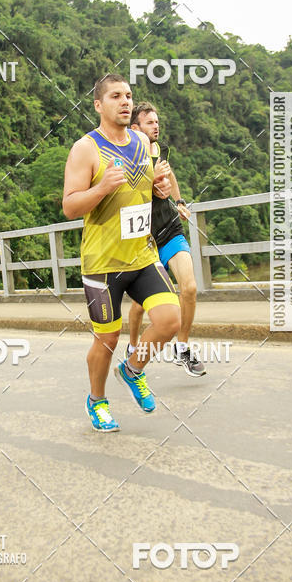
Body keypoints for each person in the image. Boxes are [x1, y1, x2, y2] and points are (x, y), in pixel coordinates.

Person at [62, 74, 182, 431]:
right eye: (116, 96)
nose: (125, 102)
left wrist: (159, 190)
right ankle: (96, 400)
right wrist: (100, 188)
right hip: (103, 263)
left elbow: (142, 189)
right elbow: (70, 206)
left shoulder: (143, 142)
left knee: (170, 321)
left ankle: (132, 370)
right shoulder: (85, 148)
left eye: (129, 96)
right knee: (108, 338)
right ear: (99, 105)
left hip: (142, 255)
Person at [128, 102, 205, 376]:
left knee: (190, 288)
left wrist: (179, 200)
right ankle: (133, 347)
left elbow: (169, 174)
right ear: (135, 128)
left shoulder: (158, 150)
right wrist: (151, 187)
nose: (156, 126)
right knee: (140, 305)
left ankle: (182, 348)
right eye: (150, 123)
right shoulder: (127, 157)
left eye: (157, 122)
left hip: (170, 230)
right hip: (145, 241)